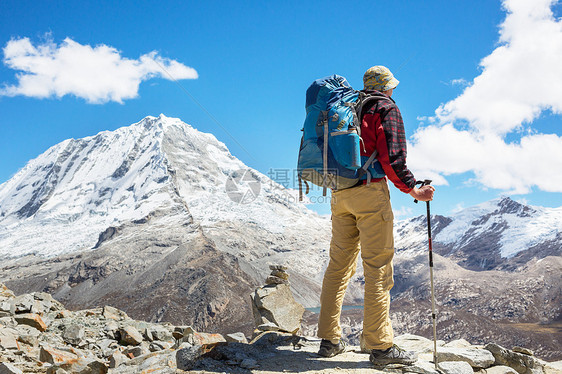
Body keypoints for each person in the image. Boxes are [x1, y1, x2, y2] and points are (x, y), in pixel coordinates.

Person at [317, 66, 435, 365]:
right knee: (378, 270)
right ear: (386, 87)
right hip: (369, 192)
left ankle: (329, 340)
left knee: (338, 267)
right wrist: (413, 190)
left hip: (340, 193)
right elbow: (392, 156)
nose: (394, 91)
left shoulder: (347, 107)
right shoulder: (385, 107)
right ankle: (380, 347)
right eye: (392, 86)